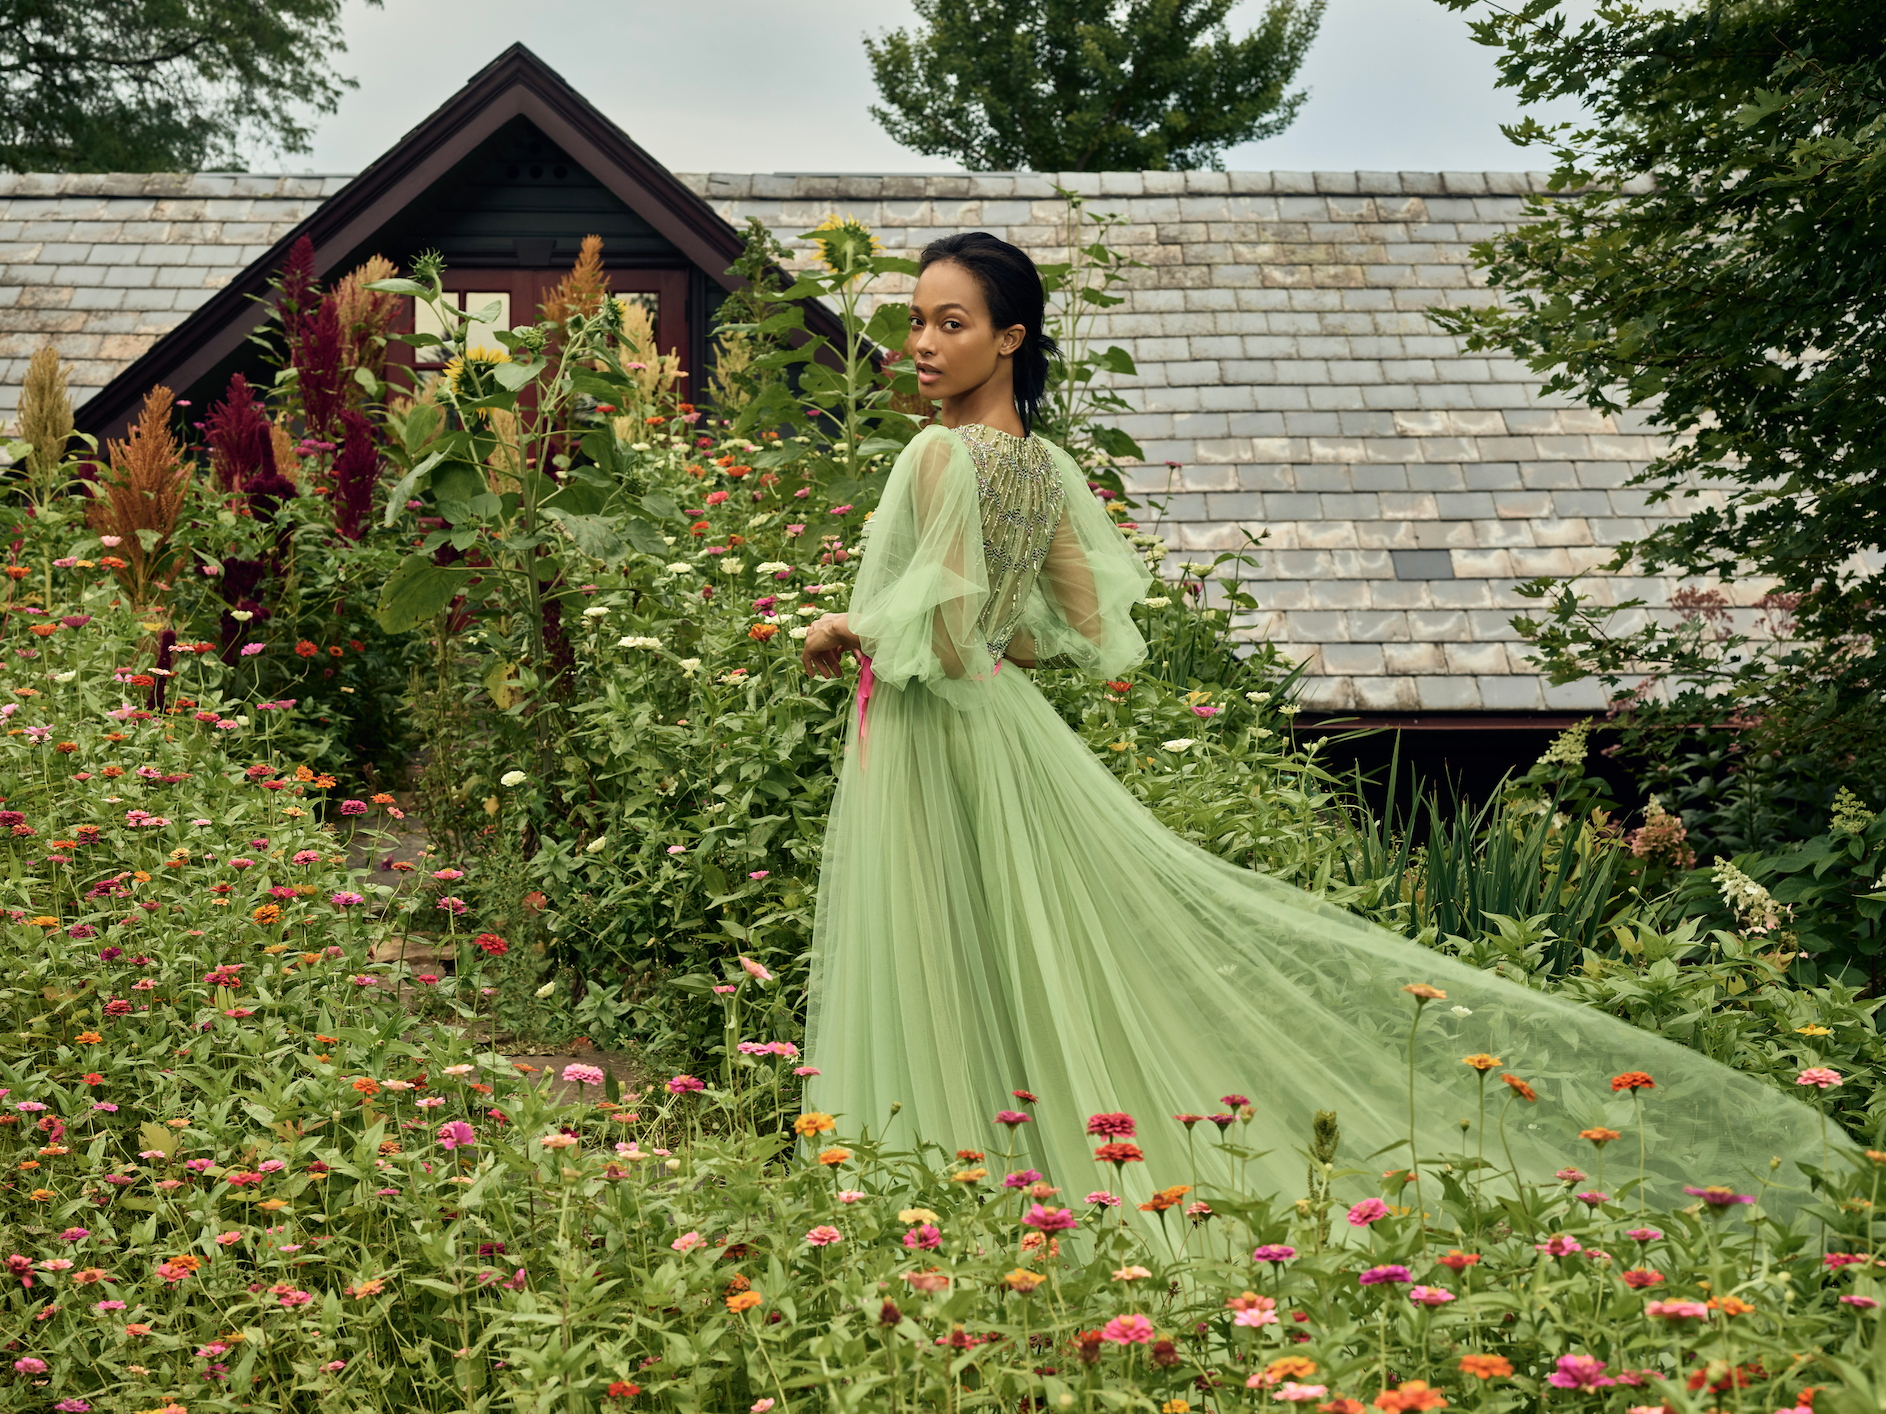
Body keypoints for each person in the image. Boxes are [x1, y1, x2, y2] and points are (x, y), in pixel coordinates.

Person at [798, 231, 1842, 1214]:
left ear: (1009, 338)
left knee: (937, 949)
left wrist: (847, 622)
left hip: (933, 736)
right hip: (1004, 730)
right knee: (1023, 949)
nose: (922, 346)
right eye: (916, 322)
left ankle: (929, 1185)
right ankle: (1020, 1171)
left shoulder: (935, 459)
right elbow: (1081, 626)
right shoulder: (1044, 466)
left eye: (950, 324)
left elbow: (931, 645)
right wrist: (980, 638)